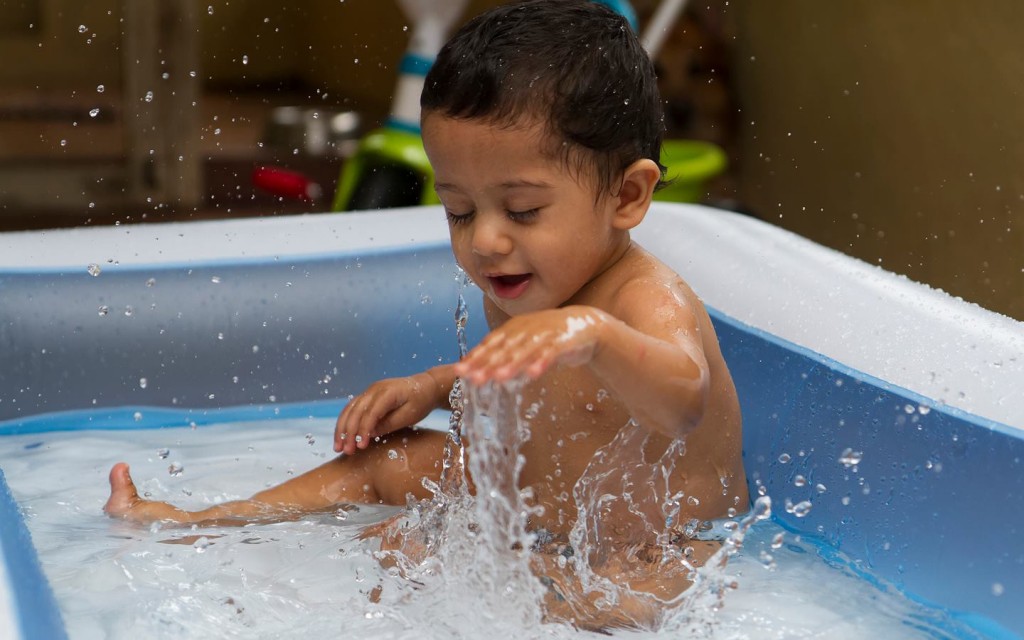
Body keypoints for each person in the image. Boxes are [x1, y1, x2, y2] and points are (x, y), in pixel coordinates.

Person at [104, 0, 748, 629]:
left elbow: (682, 401)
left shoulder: (643, 297)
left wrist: (596, 336)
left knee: (642, 600)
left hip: (661, 547)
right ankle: (205, 522)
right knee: (389, 460)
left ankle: (531, 602)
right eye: (460, 210)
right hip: (543, 516)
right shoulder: (529, 278)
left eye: (522, 210)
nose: (486, 241)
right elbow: (535, 384)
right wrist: (434, 387)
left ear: (627, 195)